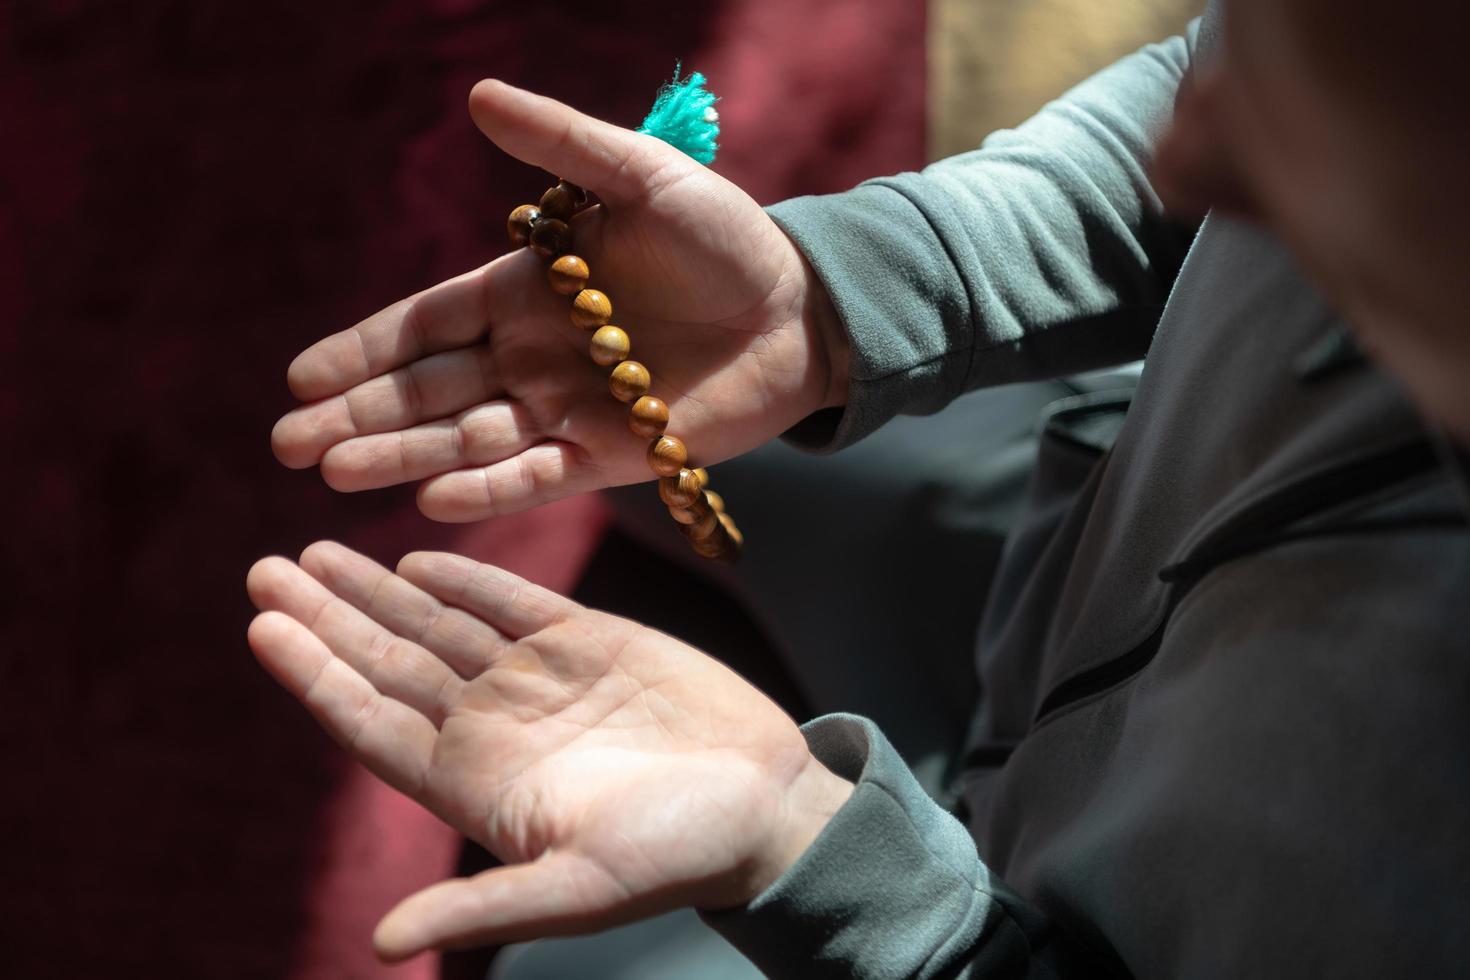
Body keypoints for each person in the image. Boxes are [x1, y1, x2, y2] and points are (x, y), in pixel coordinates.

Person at [248, 0, 1470, 974]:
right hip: (1069, 509)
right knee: (621, 427)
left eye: (1316, 141)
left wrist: (811, 859)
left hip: (1018, 904)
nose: (1188, 149)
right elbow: (1209, 87)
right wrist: (835, 302)